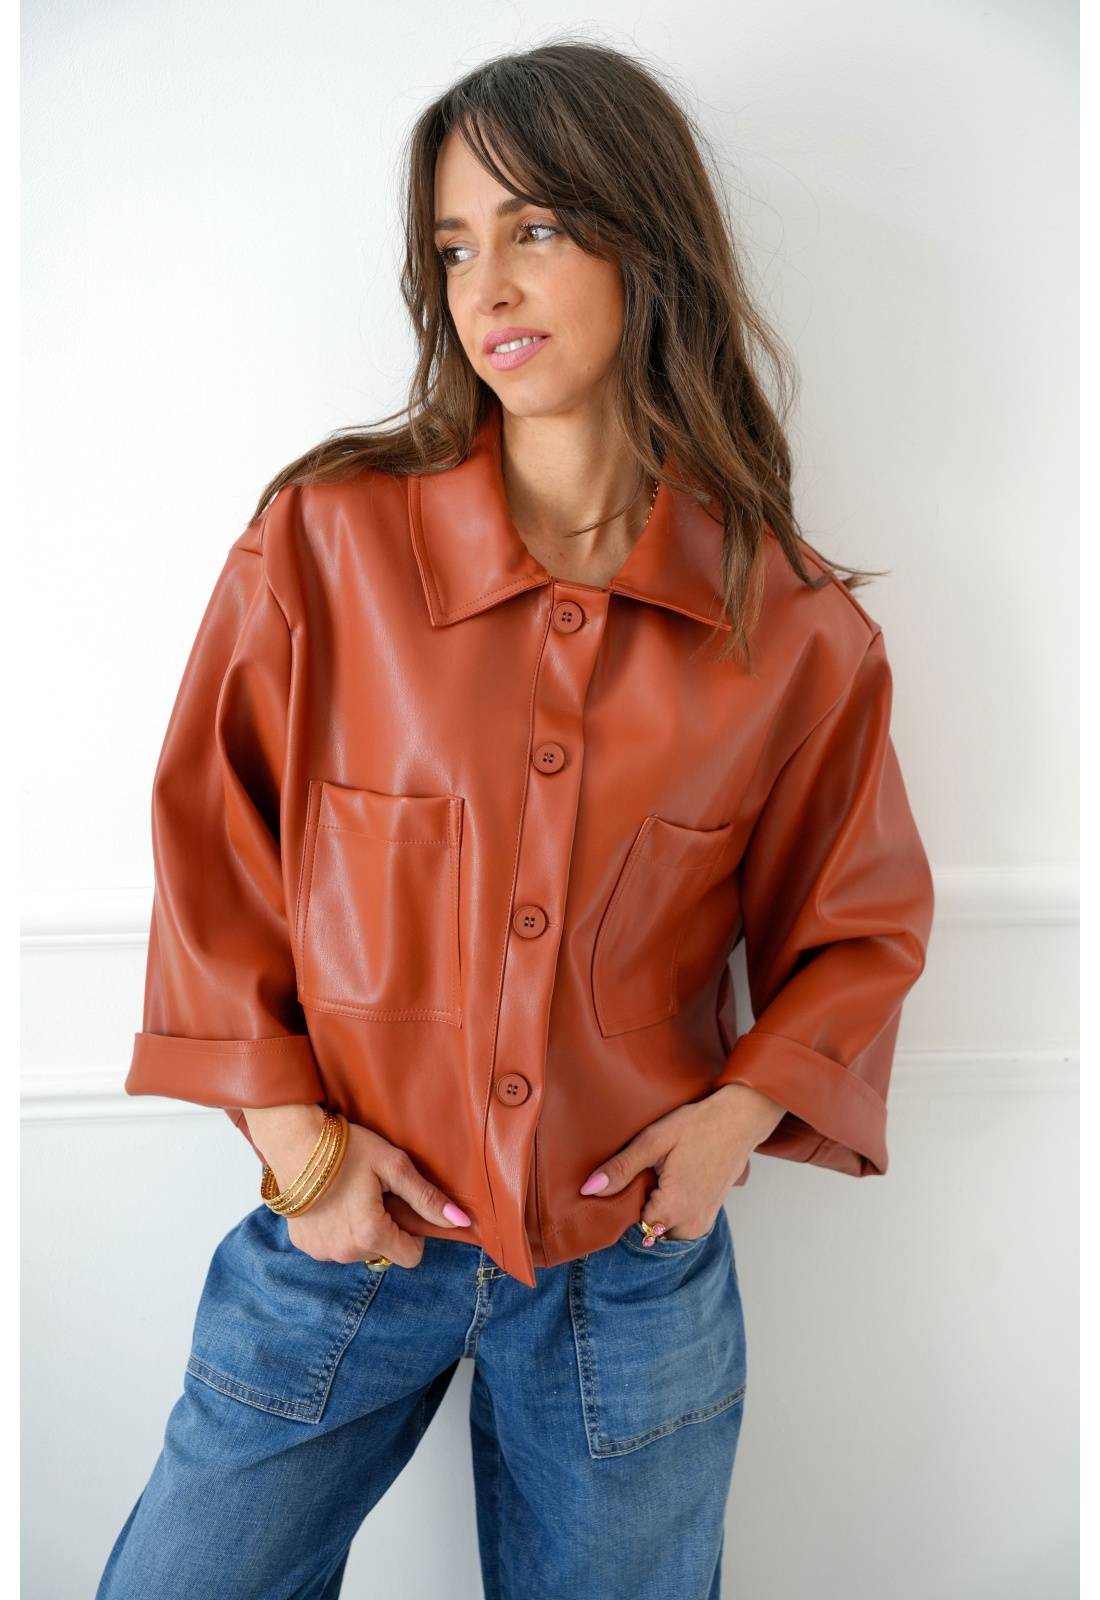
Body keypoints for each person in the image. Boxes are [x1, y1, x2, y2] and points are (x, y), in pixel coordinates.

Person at [96, 39, 934, 1600]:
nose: (487, 285)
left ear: (647, 242)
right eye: (453, 247)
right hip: (345, 1238)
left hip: (632, 1275)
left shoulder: (791, 630)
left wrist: (733, 1123)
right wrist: (298, 1152)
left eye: (535, 227)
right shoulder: (323, 550)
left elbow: (858, 926)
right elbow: (214, 855)